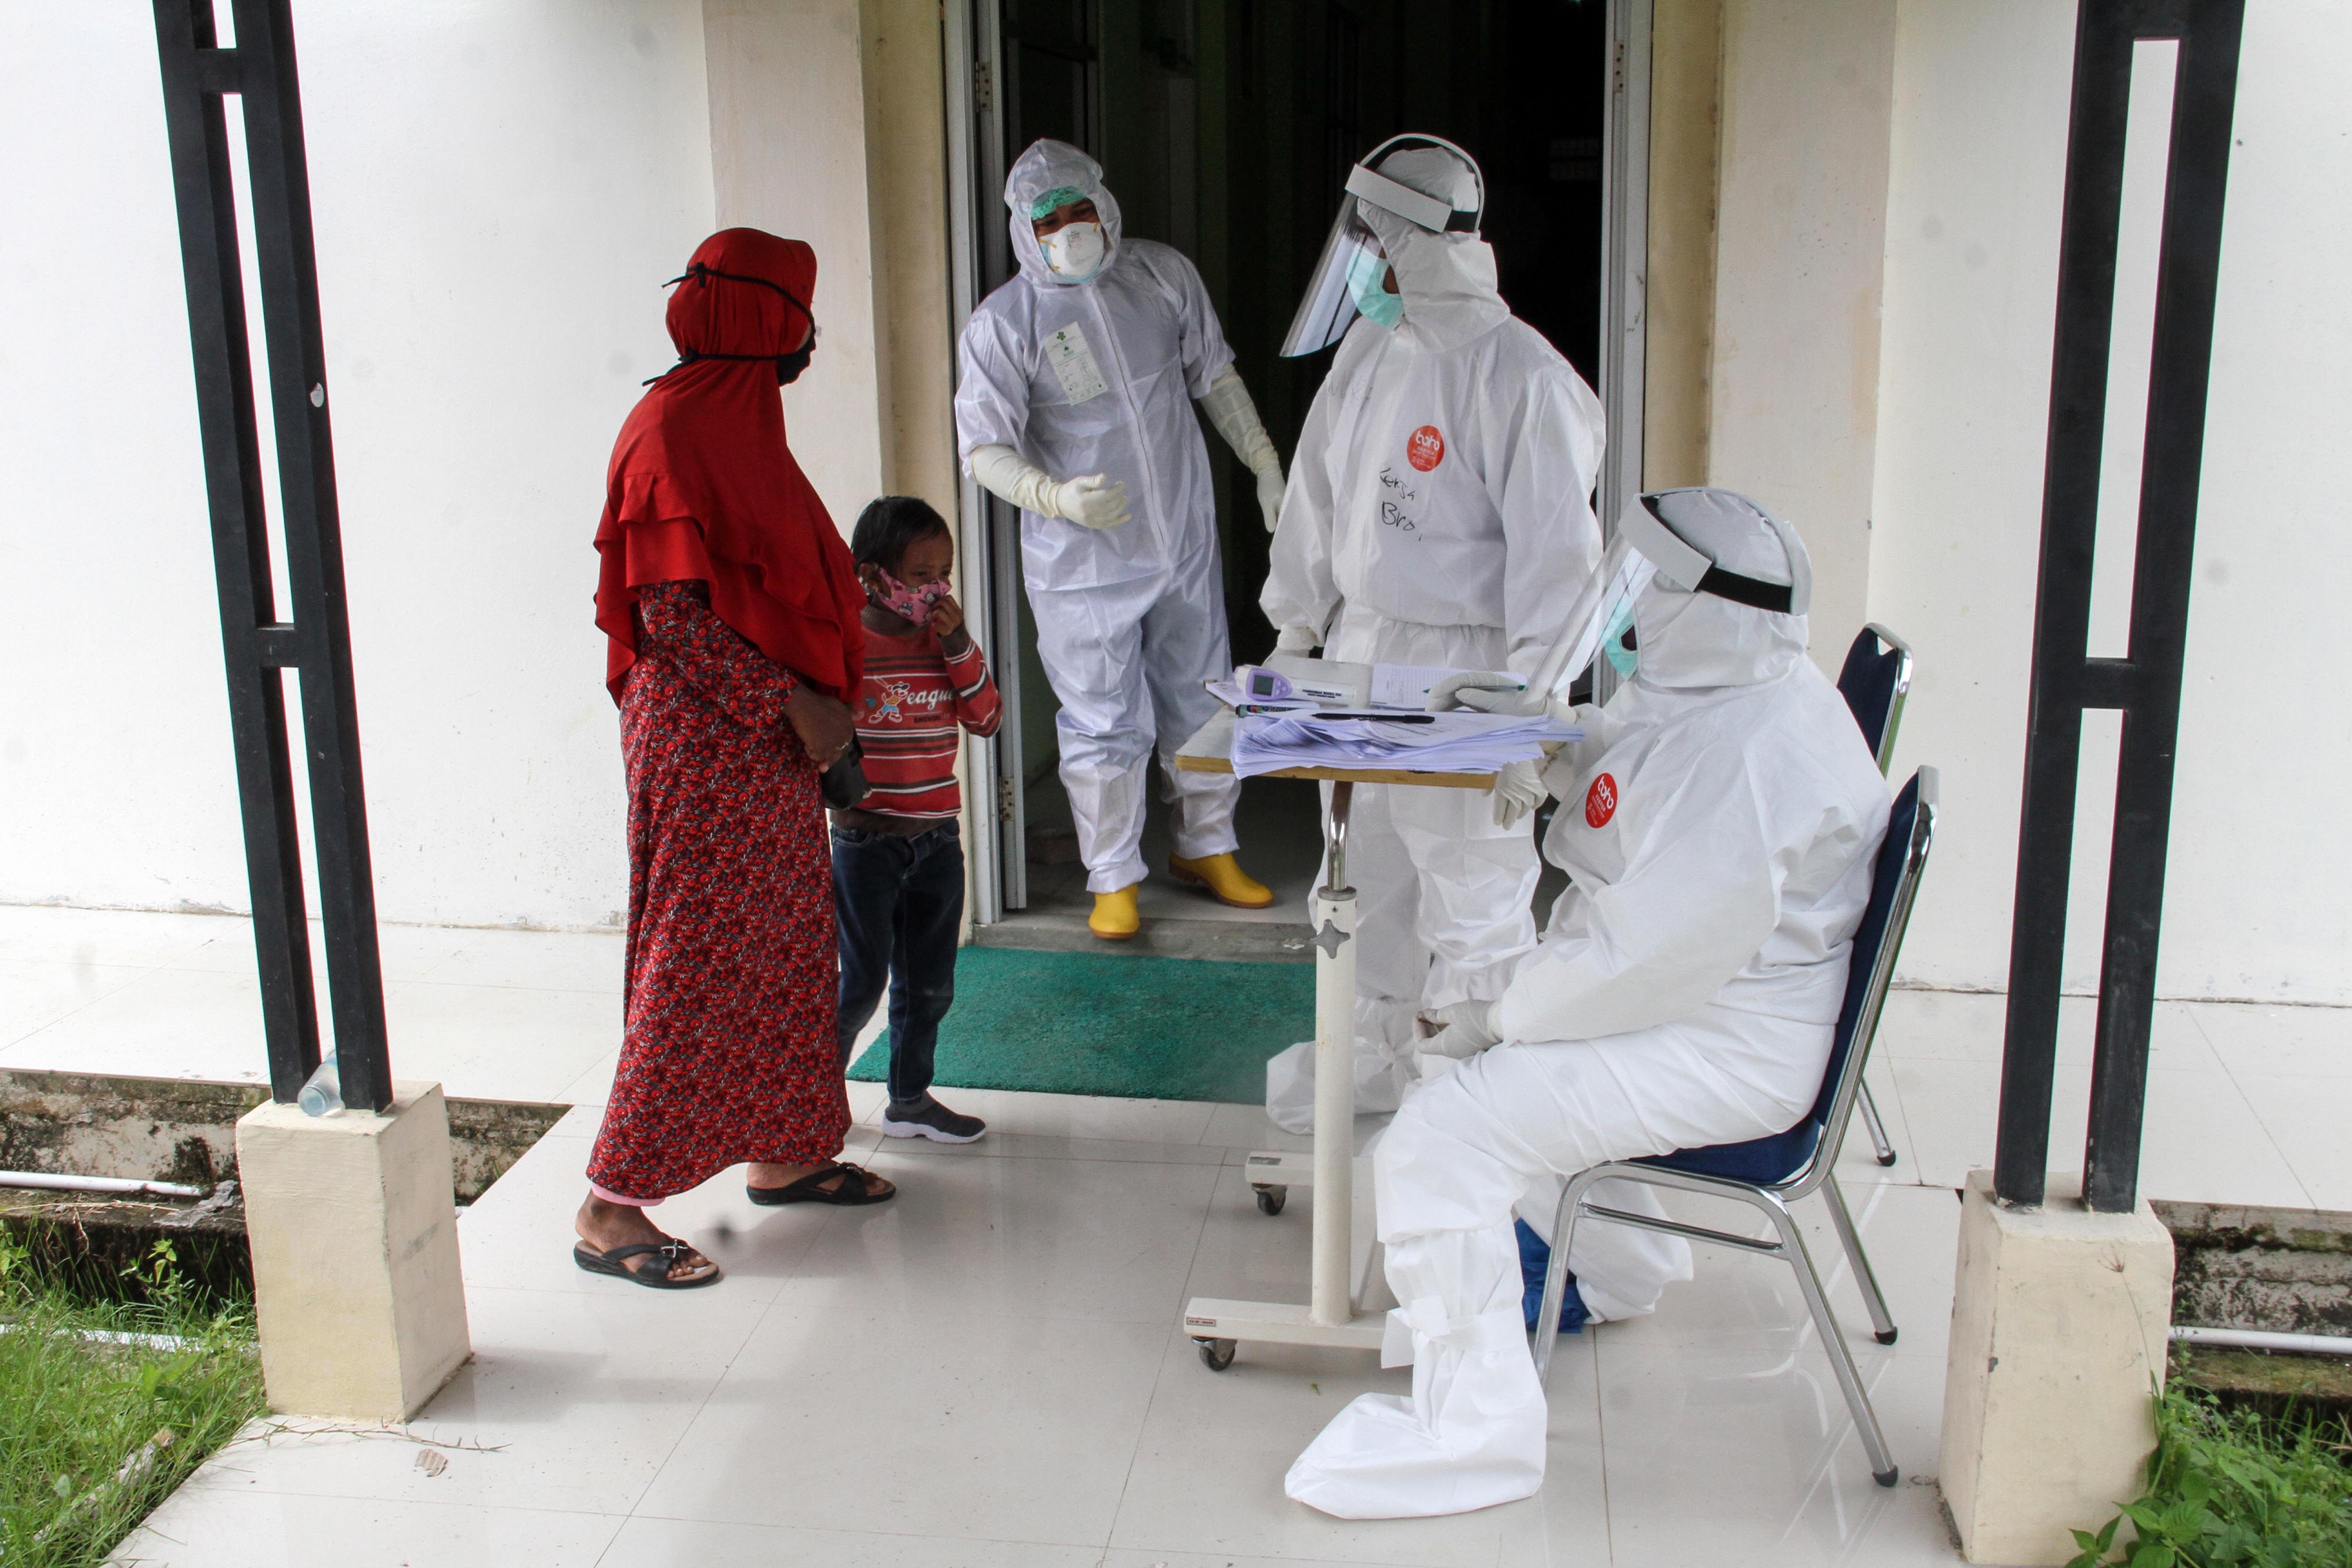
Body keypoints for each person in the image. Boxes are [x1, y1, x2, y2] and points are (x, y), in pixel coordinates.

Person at [1283, 489, 1894, 1517]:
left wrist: (1498, 1018)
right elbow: (1650, 751)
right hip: (1714, 1000)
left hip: (1727, 1043)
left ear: (1699, 606)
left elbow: (1637, 960)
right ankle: (1612, 1267)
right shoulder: (1740, 679)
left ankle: (1472, 1435)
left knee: (1441, 1132)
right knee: (1491, 1071)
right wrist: (1555, 738)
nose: (1631, 608)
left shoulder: (1750, 762)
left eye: (1649, 589)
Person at [1259, 135, 1607, 1133]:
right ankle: (1371, 1069)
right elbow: (1316, 500)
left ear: (1415, 243)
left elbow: (1560, 564)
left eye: (1369, 239)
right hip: (1364, 652)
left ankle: (1471, 1114)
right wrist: (1294, 629)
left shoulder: (1522, 377)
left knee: (1472, 899)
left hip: (1468, 669)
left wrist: (1534, 705)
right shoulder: (1370, 351)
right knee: (1365, 880)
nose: (1357, 261)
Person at [579, 228, 897, 1291]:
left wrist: (809, 708)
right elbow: (668, 616)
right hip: (707, 739)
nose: (811, 333)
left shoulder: (738, 425)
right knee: (699, 956)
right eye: (801, 310)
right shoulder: (671, 430)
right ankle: (609, 1206)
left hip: (765, 741)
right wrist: (790, 704)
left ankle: (787, 1151)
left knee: (787, 943)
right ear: (767, 318)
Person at [955, 138, 1284, 941]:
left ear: (1105, 206)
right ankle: (1111, 876)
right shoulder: (1005, 324)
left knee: (1202, 696)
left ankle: (1208, 846)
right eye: (1049, 220)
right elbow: (982, 449)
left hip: (1179, 538)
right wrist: (1053, 496)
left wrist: (1265, 462)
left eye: (1080, 211)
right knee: (1101, 717)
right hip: (1082, 563)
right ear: (1024, 230)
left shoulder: (1161, 276)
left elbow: (1214, 376)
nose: (1070, 230)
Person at [832, 496, 1002, 1143]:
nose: (936, 589)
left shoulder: (946, 642)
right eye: (919, 574)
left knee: (929, 985)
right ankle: (811, 1101)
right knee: (860, 982)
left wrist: (958, 644)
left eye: (944, 573)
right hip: (865, 843)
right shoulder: (847, 638)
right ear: (873, 575)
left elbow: (987, 719)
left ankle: (908, 1100)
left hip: (936, 841)